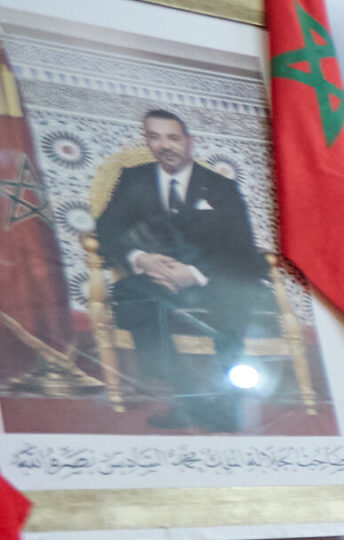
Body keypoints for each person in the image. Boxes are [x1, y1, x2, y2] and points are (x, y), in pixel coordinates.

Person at [94, 110, 267, 430]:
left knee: (234, 298)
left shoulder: (221, 187)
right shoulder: (133, 179)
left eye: (173, 138)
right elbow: (107, 230)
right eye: (154, 137)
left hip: (209, 278)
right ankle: (190, 398)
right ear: (147, 140)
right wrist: (141, 259)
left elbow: (240, 247)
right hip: (156, 278)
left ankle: (226, 404)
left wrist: (193, 273)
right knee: (130, 295)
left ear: (189, 142)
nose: (165, 146)